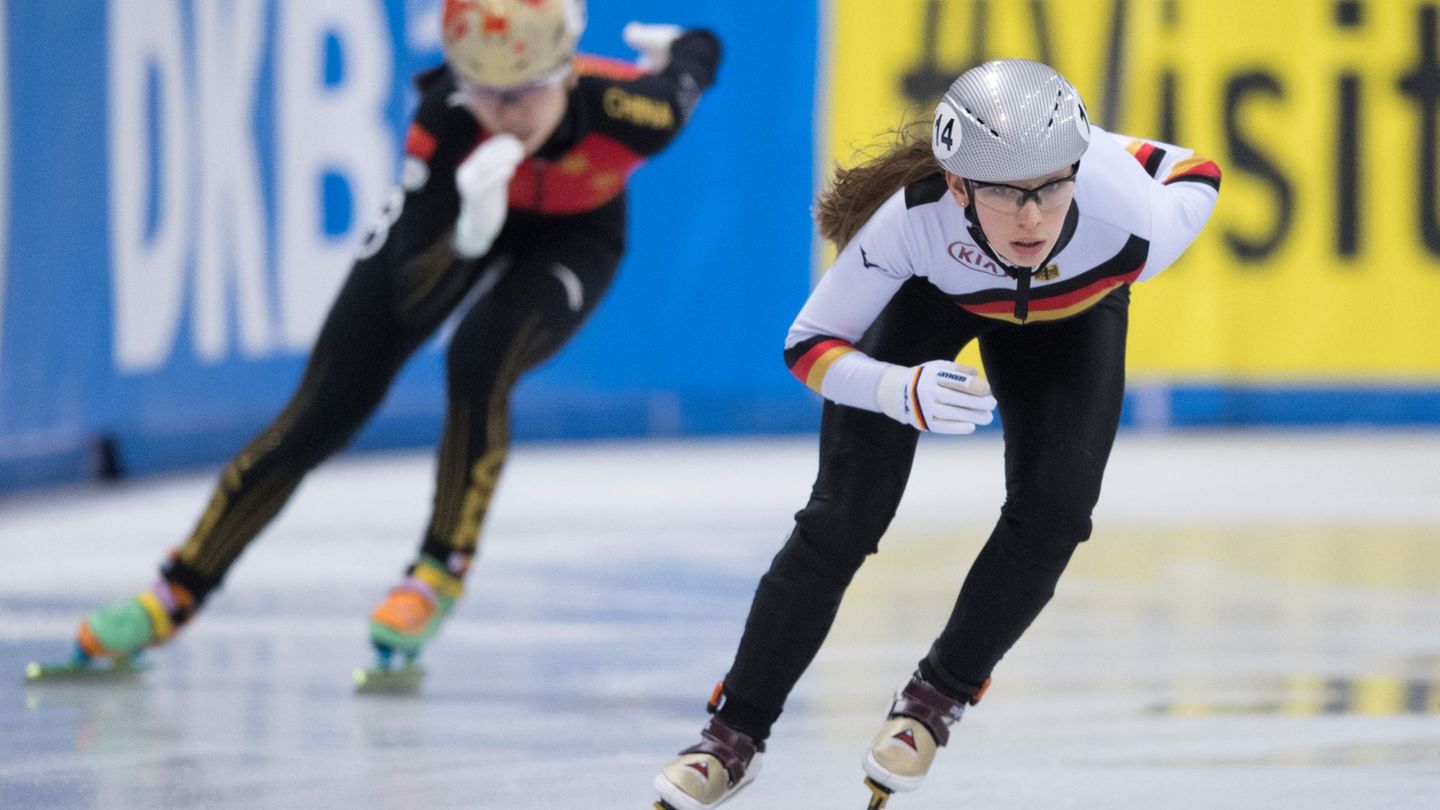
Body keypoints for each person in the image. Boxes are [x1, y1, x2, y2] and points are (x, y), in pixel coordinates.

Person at [67, 0, 721, 677]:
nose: (503, 114)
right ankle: (176, 590)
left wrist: (682, 47)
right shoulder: (446, 121)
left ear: (565, 72)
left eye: (522, 93)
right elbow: (411, 302)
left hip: (575, 236)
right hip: (451, 222)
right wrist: (468, 229)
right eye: (484, 94)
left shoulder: (634, 110)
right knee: (320, 411)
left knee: (482, 355)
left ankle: (437, 570)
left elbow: (701, 59)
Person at [653, 58, 1220, 810]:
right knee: (841, 518)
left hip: (1076, 314)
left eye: (1052, 187)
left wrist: (1096, 150)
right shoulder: (914, 219)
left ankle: (934, 701)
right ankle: (733, 733)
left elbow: (1197, 169)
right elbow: (809, 343)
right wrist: (896, 387)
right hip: (933, 299)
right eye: (1007, 194)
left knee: (1057, 507)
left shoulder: (1136, 227)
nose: (1032, 219)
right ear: (958, 186)